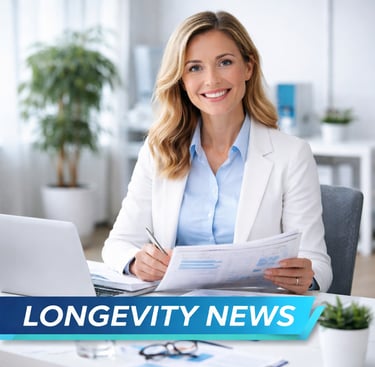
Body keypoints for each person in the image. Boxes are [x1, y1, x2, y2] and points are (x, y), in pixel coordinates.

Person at [102, 10, 332, 294]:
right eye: (194, 67)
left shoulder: (292, 154)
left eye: (224, 62)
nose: (211, 80)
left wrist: (305, 275)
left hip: (251, 313)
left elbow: (317, 263)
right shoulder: (158, 149)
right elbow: (117, 245)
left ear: (248, 67)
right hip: (175, 310)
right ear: (181, 80)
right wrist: (136, 262)